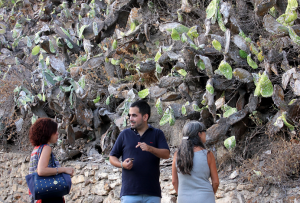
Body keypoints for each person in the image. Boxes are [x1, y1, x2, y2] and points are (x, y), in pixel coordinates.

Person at [109, 100, 170, 203]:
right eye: (129, 115)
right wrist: (122, 165)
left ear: (145, 117)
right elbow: (112, 157)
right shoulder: (124, 134)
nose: (130, 119)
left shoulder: (157, 133)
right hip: (129, 193)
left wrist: (150, 148)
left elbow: (166, 154)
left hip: (152, 193)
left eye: (134, 115)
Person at [28, 118, 74, 203]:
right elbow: (41, 171)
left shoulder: (36, 149)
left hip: (38, 195)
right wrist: (64, 169)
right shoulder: (46, 148)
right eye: (54, 131)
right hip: (48, 196)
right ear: (47, 132)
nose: (57, 133)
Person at [172, 121, 219, 203]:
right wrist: (210, 194)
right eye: (205, 131)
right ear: (199, 134)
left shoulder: (177, 154)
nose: (205, 134)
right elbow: (216, 182)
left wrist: (182, 195)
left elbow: (174, 181)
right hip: (206, 198)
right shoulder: (208, 155)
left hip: (184, 199)